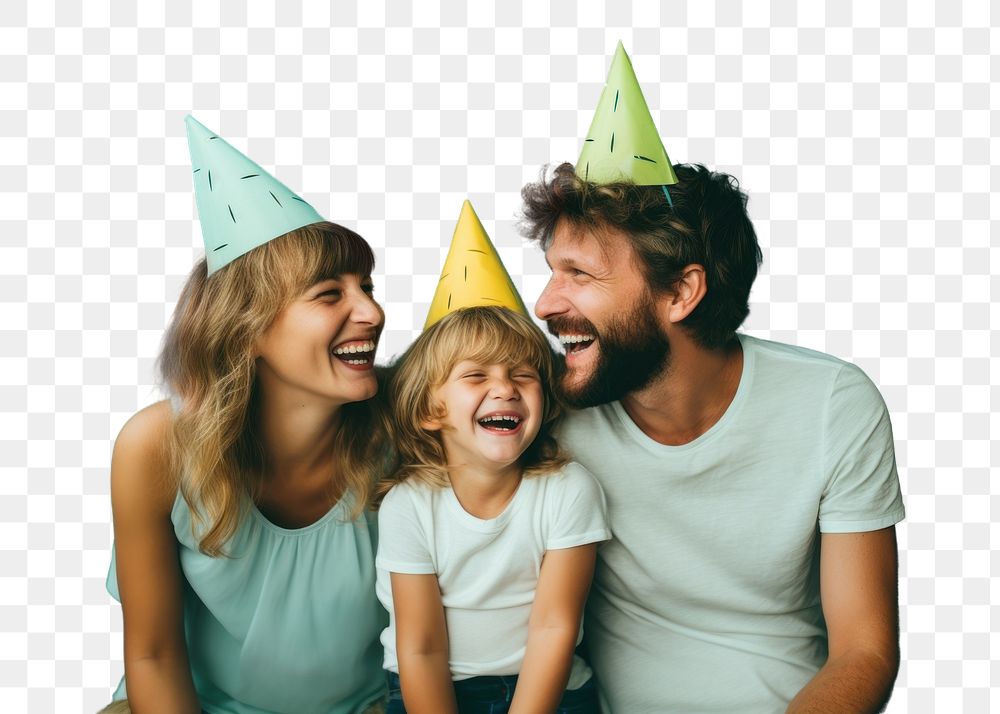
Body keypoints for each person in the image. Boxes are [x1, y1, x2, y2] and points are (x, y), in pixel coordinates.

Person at [520, 160, 906, 713]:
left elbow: (864, 651)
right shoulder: (541, 412)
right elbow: (417, 415)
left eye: (579, 274)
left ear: (681, 291)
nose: (545, 304)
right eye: (552, 272)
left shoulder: (831, 405)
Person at [103, 116, 388, 714]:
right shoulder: (155, 446)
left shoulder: (405, 426)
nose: (371, 311)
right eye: (329, 294)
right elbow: (153, 655)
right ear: (247, 328)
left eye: (366, 285)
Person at [375, 303, 609, 714]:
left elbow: (554, 628)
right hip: (434, 688)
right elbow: (421, 649)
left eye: (523, 374)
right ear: (431, 410)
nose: (505, 388)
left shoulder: (568, 489)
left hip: (551, 688)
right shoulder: (408, 506)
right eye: (476, 375)